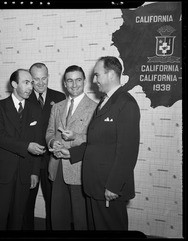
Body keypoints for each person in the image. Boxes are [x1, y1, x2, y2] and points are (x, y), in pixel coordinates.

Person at [53, 56, 140, 230]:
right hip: (95, 185)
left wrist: (114, 186)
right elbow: (96, 143)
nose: (94, 80)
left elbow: (127, 151)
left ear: (111, 75)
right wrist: (72, 153)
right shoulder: (105, 101)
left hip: (109, 187)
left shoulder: (126, 103)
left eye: (97, 75)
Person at [0, 69, 45, 230]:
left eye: (31, 83)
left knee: (17, 220)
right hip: (1, 174)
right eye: (26, 82)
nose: (31, 87)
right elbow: (0, 137)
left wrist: (34, 172)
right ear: (14, 84)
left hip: (24, 174)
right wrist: (26, 146)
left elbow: (38, 140)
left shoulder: (35, 109)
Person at [46, 65, 97, 230]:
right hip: (57, 167)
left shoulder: (95, 108)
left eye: (78, 80)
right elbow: (50, 132)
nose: (74, 85)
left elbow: (96, 141)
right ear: (65, 84)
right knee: (58, 218)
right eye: (70, 80)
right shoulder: (57, 106)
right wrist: (52, 142)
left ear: (84, 81)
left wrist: (75, 137)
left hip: (80, 169)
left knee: (81, 219)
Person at [23, 62, 65, 230]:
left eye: (44, 78)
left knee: (53, 204)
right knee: (26, 203)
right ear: (30, 79)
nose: (40, 83)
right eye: (35, 79)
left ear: (48, 77)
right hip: (28, 159)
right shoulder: (24, 96)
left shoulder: (60, 97)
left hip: (51, 159)